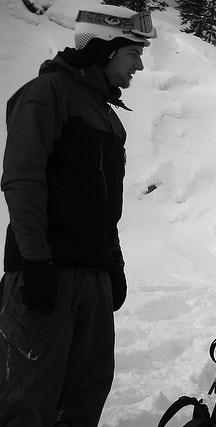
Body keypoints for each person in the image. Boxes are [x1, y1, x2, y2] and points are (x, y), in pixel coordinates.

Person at [0, 5, 156, 426]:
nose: (139, 66)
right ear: (105, 50)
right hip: (47, 272)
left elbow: (104, 207)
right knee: (29, 397)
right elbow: (22, 179)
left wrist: (113, 264)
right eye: (133, 54)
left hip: (92, 275)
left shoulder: (107, 116)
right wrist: (35, 262)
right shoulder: (47, 93)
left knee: (86, 392)